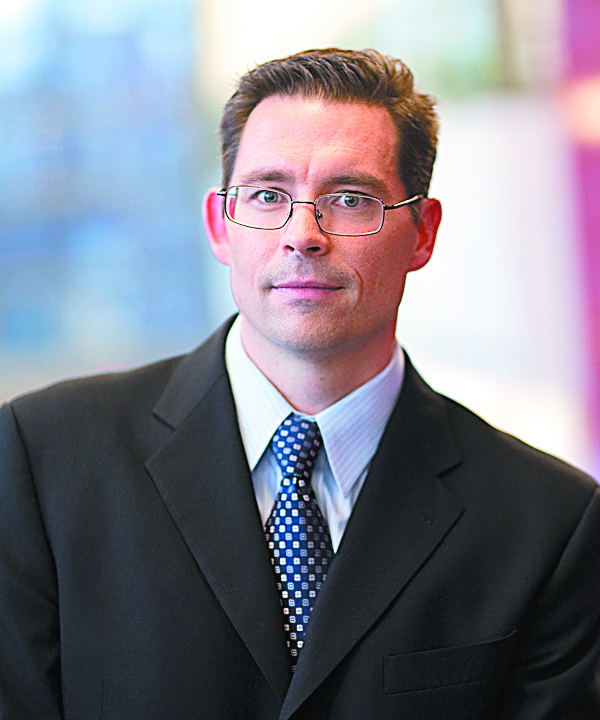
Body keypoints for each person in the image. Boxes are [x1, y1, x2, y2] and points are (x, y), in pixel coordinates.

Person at [1, 48, 599, 720]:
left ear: (422, 234)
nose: (303, 235)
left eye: (350, 199)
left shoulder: (549, 524)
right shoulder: (40, 459)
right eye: (267, 195)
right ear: (219, 225)